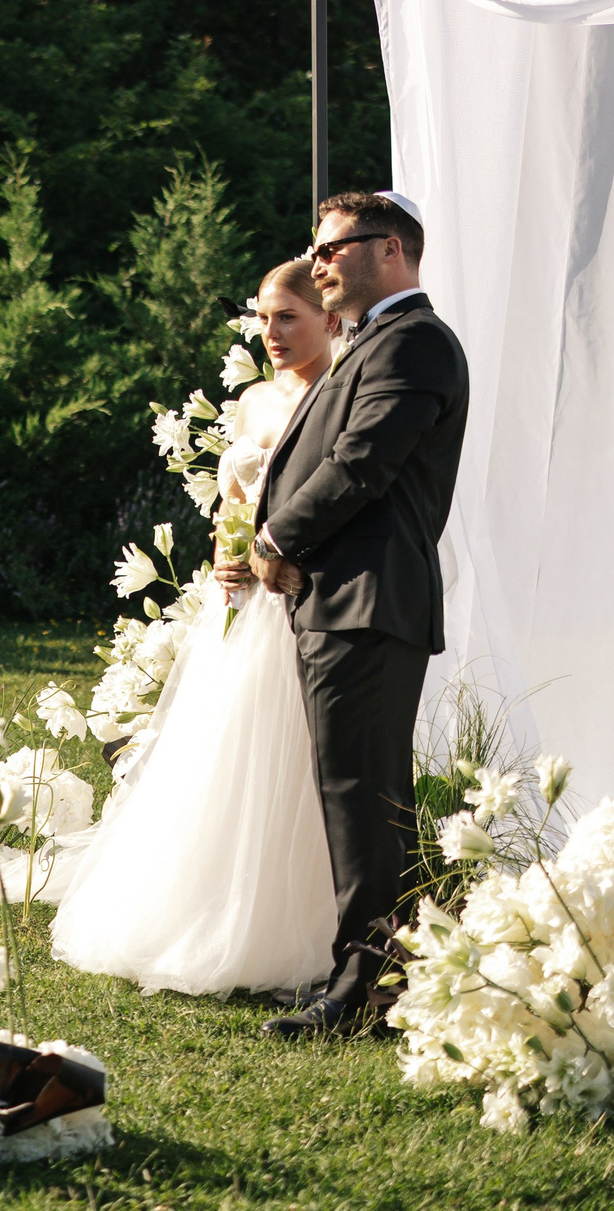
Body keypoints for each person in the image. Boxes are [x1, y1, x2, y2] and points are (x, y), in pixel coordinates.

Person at [52, 259, 342, 995]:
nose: (272, 333)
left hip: (302, 594)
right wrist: (225, 556)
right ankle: (201, 906)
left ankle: (289, 923)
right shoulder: (251, 400)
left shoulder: (342, 391)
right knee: (222, 752)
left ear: (327, 318)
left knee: (291, 758)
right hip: (240, 601)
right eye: (265, 318)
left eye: (289, 318)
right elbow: (233, 500)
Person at [249, 190, 469, 1039]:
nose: (317, 265)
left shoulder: (415, 342)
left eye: (332, 249)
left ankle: (363, 989)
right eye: (315, 250)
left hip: (368, 597)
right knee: (361, 791)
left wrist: (277, 535)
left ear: (392, 250)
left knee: (361, 792)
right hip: (343, 597)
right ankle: (386, 974)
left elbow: (361, 461)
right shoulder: (375, 342)